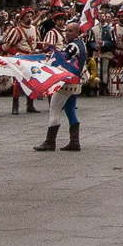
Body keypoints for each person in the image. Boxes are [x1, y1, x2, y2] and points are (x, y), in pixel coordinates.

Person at [36, 21, 86, 153]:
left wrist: (50, 54)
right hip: (75, 82)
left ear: (77, 33)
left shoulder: (72, 46)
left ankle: (49, 142)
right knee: (70, 110)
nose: (67, 33)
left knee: (54, 109)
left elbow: (62, 58)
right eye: (67, 30)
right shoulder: (81, 45)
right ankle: (74, 142)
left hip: (66, 82)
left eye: (70, 31)